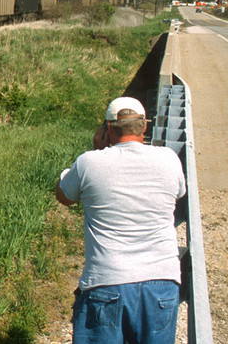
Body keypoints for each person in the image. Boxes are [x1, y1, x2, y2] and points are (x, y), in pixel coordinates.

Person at [55, 96, 187, 344]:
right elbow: (180, 193)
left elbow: (63, 196)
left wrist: (97, 152)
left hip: (107, 281)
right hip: (162, 282)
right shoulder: (169, 159)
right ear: (144, 126)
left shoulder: (89, 163)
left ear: (107, 129)